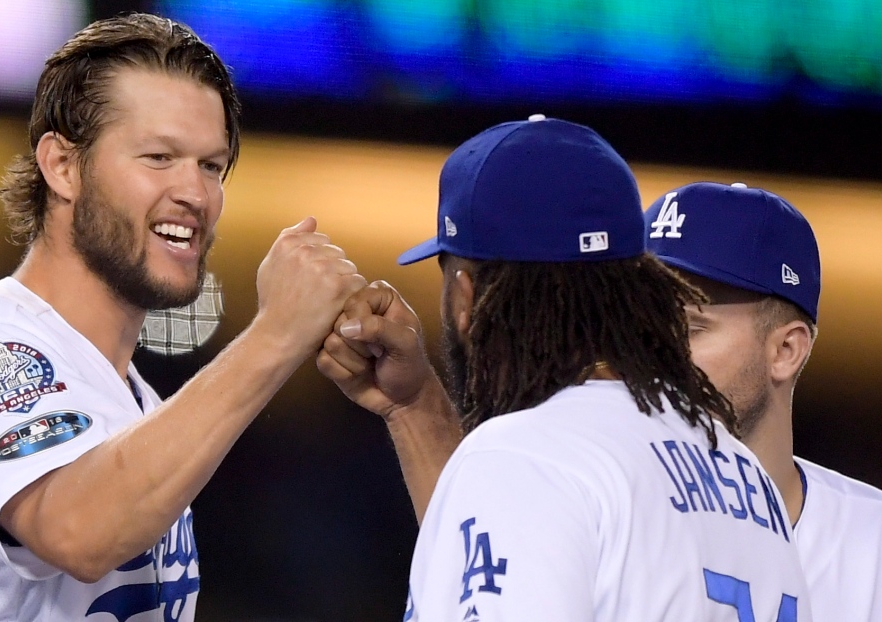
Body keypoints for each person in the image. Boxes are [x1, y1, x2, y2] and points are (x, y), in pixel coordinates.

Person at [0, 14, 366, 622]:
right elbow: (78, 532)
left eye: (211, 165)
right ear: (63, 167)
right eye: (158, 157)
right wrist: (276, 335)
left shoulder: (143, 408)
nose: (196, 194)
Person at [318, 116, 812, 620]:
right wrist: (415, 406)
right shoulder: (748, 478)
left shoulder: (527, 456)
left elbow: (537, 487)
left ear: (466, 299)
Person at [645, 181, 882, 621]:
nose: (654, 353)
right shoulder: (592, 520)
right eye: (642, 326)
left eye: (692, 328)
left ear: (786, 351)